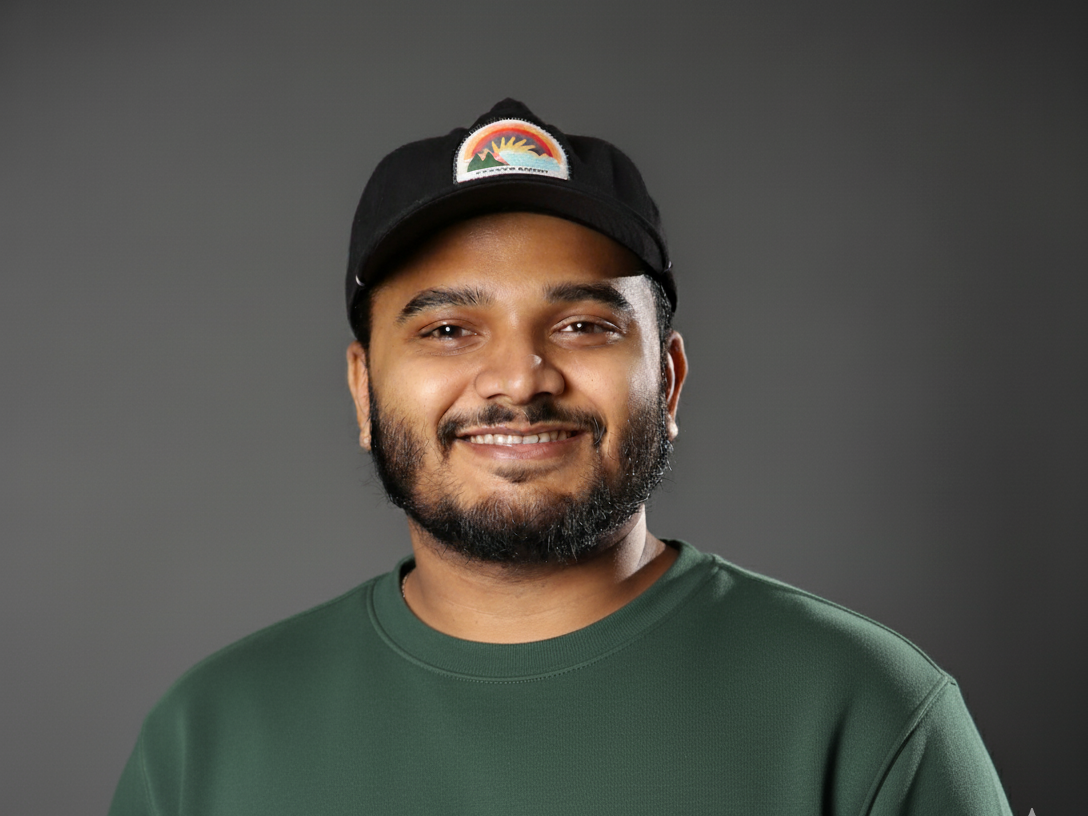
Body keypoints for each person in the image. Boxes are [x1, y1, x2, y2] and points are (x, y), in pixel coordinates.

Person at [109, 99, 1012, 814]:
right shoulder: (211, 737)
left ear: (668, 377)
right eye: (450, 328)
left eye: (582, 325)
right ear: (361, 388)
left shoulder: (864, 712)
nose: (519, 378)